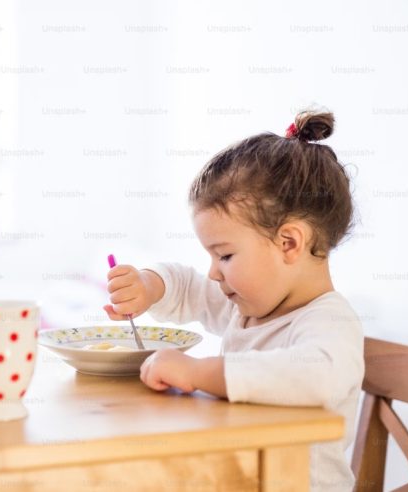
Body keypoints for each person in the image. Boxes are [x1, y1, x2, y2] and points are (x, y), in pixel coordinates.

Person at [104, 109, 364, 491]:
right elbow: (188, 287)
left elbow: (314, 378)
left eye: (224, 255)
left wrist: (198, 373)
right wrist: (148, 285)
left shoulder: (329, 323)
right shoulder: (246, 305)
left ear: (289, 243)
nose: (213, 272)